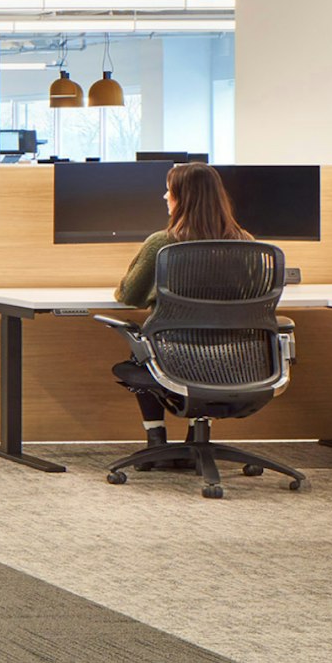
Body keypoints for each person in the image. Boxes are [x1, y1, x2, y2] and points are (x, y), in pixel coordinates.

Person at [110, 161, 252, 452]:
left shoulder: (162, 242)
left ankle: (155, 439)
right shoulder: (246, 242)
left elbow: (129, 296)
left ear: (183, 198)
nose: (164, 197)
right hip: (234, 357)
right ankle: (196, 438)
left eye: (169, 191)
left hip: (171, 355)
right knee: (203, 363)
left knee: (141, 354)